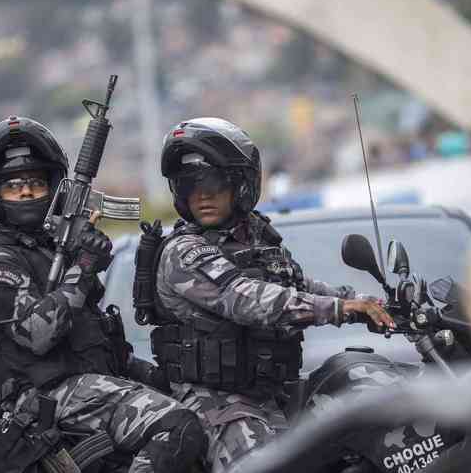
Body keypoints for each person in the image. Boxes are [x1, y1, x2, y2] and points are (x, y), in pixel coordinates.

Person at [0, 116, 205, 473]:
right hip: (45, 399)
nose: (25, 192)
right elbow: (36, 335)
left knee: (200, 408)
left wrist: (168, 376)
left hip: (89, 383)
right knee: (175, 427)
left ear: (53, 188)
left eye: (36, 183)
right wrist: (83, 267)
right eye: (13, 185)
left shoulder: (53, 252)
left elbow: (91, 339)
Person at [150, 117, 395, 471]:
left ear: (240, 183)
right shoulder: (184, 252)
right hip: (219, 404)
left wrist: (368, 304)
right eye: (189, 185)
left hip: (274, 395)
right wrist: (339, 308)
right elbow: (245, 298)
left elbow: (298, 286)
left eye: (214, 182)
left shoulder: (257, 239)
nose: (201, 194)